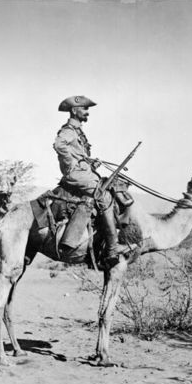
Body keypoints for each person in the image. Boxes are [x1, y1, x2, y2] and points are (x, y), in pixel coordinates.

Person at [53, 95, 127, 261]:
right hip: (75, 174)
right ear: (74, 110)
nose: (87, 112)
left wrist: (89, 163)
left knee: (110, 187)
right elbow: (59, 145)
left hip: (82, 173)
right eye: (84, 109)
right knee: (103, 195)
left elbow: (78, 154)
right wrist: (72, 163)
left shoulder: (77, 131)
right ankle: (112, 248)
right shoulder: (68, 131)